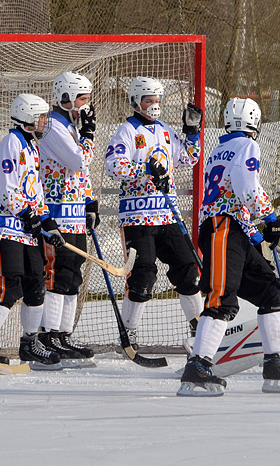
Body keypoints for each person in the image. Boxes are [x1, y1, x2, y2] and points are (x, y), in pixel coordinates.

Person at [177, 97, 280, 397]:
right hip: (223, 229)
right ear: (255, 123)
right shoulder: (248, 146)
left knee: (271, 291)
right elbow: (247, 188)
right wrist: (270, 217)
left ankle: (275, 362)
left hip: (231, 228)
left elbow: (229, 195)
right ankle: (198, 366)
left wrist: (253, 233)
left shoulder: (218, 149)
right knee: (222, 298)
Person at [104, 76, 203, 354]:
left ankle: (199, 326)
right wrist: (144, 170)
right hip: (138, 217)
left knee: (188, 269)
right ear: (137, 102)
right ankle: (129, 332)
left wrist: (192, 131)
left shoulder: (165, 130)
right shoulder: (126, 131)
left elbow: (187, 158)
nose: (155, 106)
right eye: (150, 101)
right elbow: (114, 164)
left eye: (158, 101)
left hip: (166, 215)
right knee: (143, 275)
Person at [0, 93, 66, 371]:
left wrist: (47, 221)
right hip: (4, 227)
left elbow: (34, 192)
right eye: (40, 116)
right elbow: (6, 189)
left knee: (36, 285)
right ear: (25, 115)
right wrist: (27, 214)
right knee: (8, 287)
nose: (44, 121)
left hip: (25, 231)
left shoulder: (32, 147)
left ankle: (29, 343)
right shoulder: (11, 143)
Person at [37, 72, 98, 368]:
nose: (87, 106)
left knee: (73, 273)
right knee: (58, 273)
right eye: (83, 99)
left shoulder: (71, 127)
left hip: (74, 212)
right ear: (67, 98)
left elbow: (81, 173)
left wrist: (89, 201)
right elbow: (78, 160)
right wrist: (88, 136)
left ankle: (63, 334)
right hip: (57, 212)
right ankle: (47, 335)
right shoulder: (52, 126)